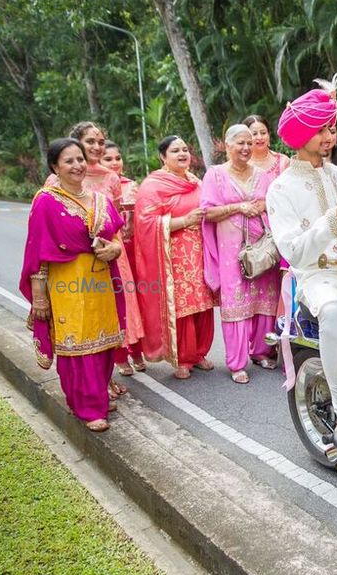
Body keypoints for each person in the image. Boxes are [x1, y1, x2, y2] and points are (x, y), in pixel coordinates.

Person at [267, 86, 337, 447]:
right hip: (317, 275)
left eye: (332, 128)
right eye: (323, 129)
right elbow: (294, 252)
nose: (331, 137)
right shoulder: (280, 188)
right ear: (301, 135)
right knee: (334, 309)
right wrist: (334, 217)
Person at [20, 138, 125, 432]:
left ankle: (99, 396)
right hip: (66, 281)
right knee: (77, 341)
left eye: (80, 159)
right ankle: (86, 406)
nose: (77, 165)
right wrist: (39, 299)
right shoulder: (46, 201)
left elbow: (115, 236)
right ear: (55, 166)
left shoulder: (100, 199)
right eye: (69, 161)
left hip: (101, 279)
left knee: (103, 340)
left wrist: (114, 249)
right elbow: (36, 253)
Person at [48, 122, 141, 390]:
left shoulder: (111, 178)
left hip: (111, 256)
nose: (98, 147)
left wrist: (115, 248)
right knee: (83, 318)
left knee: (109, 316)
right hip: (72, 264)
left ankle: (106, 376)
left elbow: (118, 224)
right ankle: (91, 383)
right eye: (90, 142)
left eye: (101, 141)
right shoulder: (56, 182)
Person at [201, 125, 281, 384]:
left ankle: (261, 351)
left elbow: (275, 204)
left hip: (262, 249)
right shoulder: (215, 175)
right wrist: (238, 207)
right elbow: (208, 213)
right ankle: (236, 362)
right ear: (227, 145)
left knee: (264, 298)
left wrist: (263, 206)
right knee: (236, 302)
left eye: (249, 143)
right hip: (231, 249)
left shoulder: (264, 176)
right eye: (240, 143)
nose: (246, 148)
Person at [133, 136, 216, 379]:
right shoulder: (153, 185)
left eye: (185, 149)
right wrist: (183, 221)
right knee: (182, 309)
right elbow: (145, 222)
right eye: (175, 151)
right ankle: (182, 358)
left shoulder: (194, 180)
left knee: (202, 305)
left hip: (200, 253)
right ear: (163, 157)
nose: (182, 154)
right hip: (172, 257)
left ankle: (199, 353)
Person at [101, 139, 146, 373]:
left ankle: (137, 351)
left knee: (137, 302)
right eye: (108, 158)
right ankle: (120, 356)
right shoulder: (97, 188)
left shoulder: (132, 186)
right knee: (119, 303)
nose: (114, 162)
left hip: (135, 252)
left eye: (117, 158)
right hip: (115, 253)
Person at [244, 114, 291, 181]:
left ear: (269, 134)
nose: (259, 137)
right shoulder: (241, 164)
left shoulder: (283, 162)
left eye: (263, 133)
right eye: (254, 134)